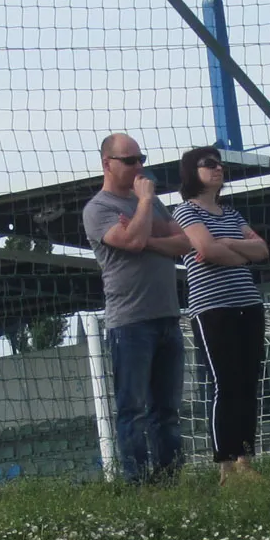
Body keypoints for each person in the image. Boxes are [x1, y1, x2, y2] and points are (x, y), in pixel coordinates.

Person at [81, 133, 188, 482]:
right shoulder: (99, 209)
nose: (139, 166)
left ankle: (170, 478)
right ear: (107, 164)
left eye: (141, 159)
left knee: (167, 409)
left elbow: (183, 242)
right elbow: (131, 240)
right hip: (130, 323)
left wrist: (148, 238)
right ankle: (139, 481)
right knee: (133, 409)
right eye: (130, 160)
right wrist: (143, 203)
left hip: (167, 317)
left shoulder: (153, 205)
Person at [173, 147, 270, 485]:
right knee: (225, 383)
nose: (218, 169)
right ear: (192, 171)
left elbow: (262, 250)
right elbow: (205, 249)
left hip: (248, 304)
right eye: (209, 164)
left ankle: (245, 460)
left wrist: (227, 242)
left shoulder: (231, 213)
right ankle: (225, 466)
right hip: (212, 308)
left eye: (219, 164)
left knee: (248, 382)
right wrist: (240, 252)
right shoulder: (185, 211)